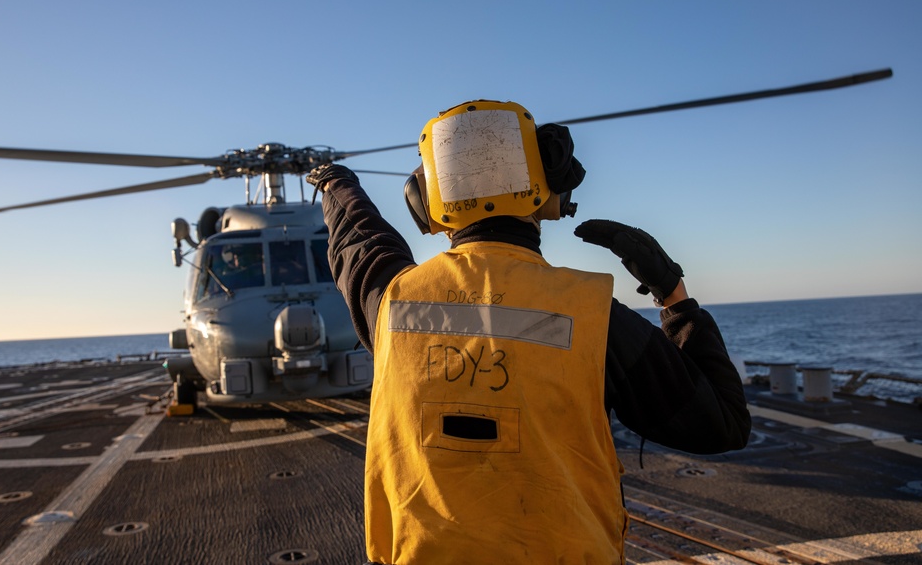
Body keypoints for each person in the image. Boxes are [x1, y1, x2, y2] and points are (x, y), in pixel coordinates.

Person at [306, 99, 751, 564]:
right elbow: (722, 424)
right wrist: (672, 293)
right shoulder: (592, 315)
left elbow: (359, 240)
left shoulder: (392, 302)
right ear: (549, 184)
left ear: (424, 202)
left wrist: (337, 183)